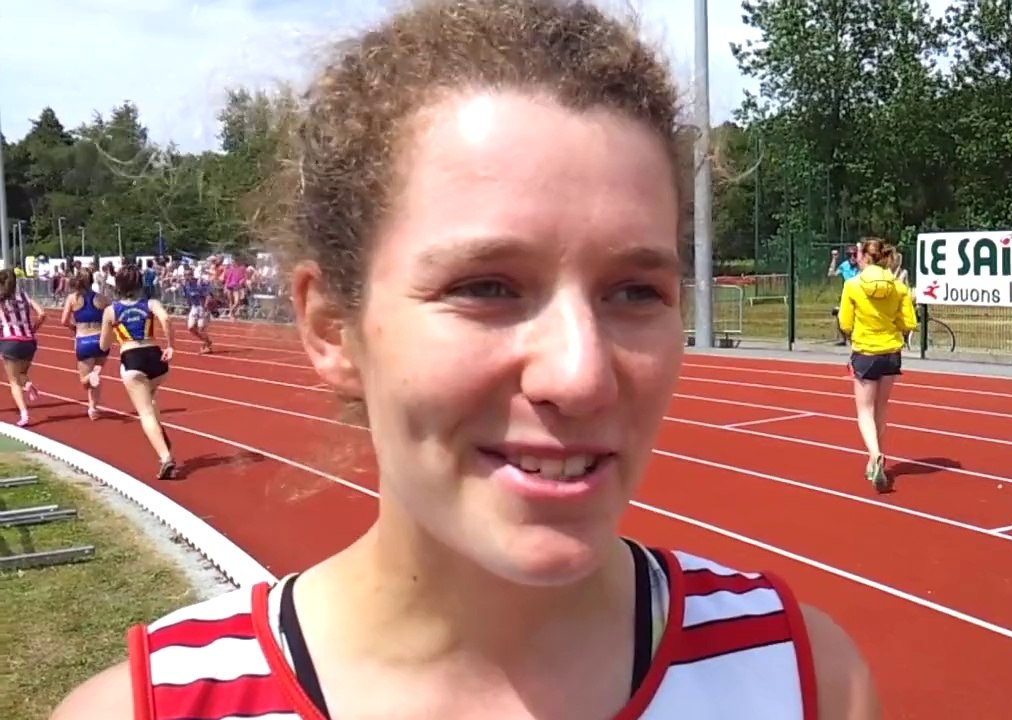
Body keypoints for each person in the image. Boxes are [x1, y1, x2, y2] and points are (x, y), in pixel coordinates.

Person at [52, 2, 880, 719]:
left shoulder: (805, 684)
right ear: (334, 328)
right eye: (487, 285)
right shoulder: (156, 709)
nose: (581, 375)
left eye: (635, 292)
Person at [837, 238, 917, 493]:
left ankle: (875, 455)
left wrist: (854, 333)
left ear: (864, 257)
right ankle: (876, 459)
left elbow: (845, 322)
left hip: (865, 351)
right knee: (881, 409)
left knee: (864, 411)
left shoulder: (852, 285)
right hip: (891, 352)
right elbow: (909, 323)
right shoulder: (898, 286)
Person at [97, 264, 177, 480]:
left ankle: (165, 457)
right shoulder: (150, 303)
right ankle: (160, 435)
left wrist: (116, 331)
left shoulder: (111, 311)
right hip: (157, 360)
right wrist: (171, 345)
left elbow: (104, 346)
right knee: (150, 400)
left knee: (145, 413)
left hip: (132, 360)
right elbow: (166, 319)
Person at [59, 268, 112, 419]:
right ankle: (93, 409)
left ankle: (90, 380)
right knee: (95, 372)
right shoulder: (101, 298)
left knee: (85, 380)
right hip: (101, 340)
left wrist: (74, 328)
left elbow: (63, 321)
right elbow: (115, 314)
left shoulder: (72, 298)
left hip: (84, 340)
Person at [0, 268, 46, 427]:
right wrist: (33, 329)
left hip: (10, 341)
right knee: (22, 373)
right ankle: (28, 384)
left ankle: (24, 414)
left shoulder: (1, 299)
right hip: (29, 341)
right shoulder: (24, 296)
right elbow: (42, 314)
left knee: (13, 381)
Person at [828, 243, 861, 343]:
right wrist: (834, 259)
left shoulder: (861, 266)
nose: (852, 258)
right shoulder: (844, 265)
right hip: (847, 295)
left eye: (854, 255)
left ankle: (856, 337)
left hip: (859, 295)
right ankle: (843, 338)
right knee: (840, 315)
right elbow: (831, 274)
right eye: (849, 255)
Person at [181, 272, 214, 353]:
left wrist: (205, 307)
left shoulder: (199, 283)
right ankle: (207, 341)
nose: (186, 277)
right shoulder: (185, 285)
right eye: (185, 275)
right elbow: (187, 297)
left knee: (201, 328)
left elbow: (208, 295)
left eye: (187, 275)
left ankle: (208, 346)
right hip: (194, 307)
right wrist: (189, 308)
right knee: (191, 327)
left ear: (191, 275)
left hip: (202, 307)